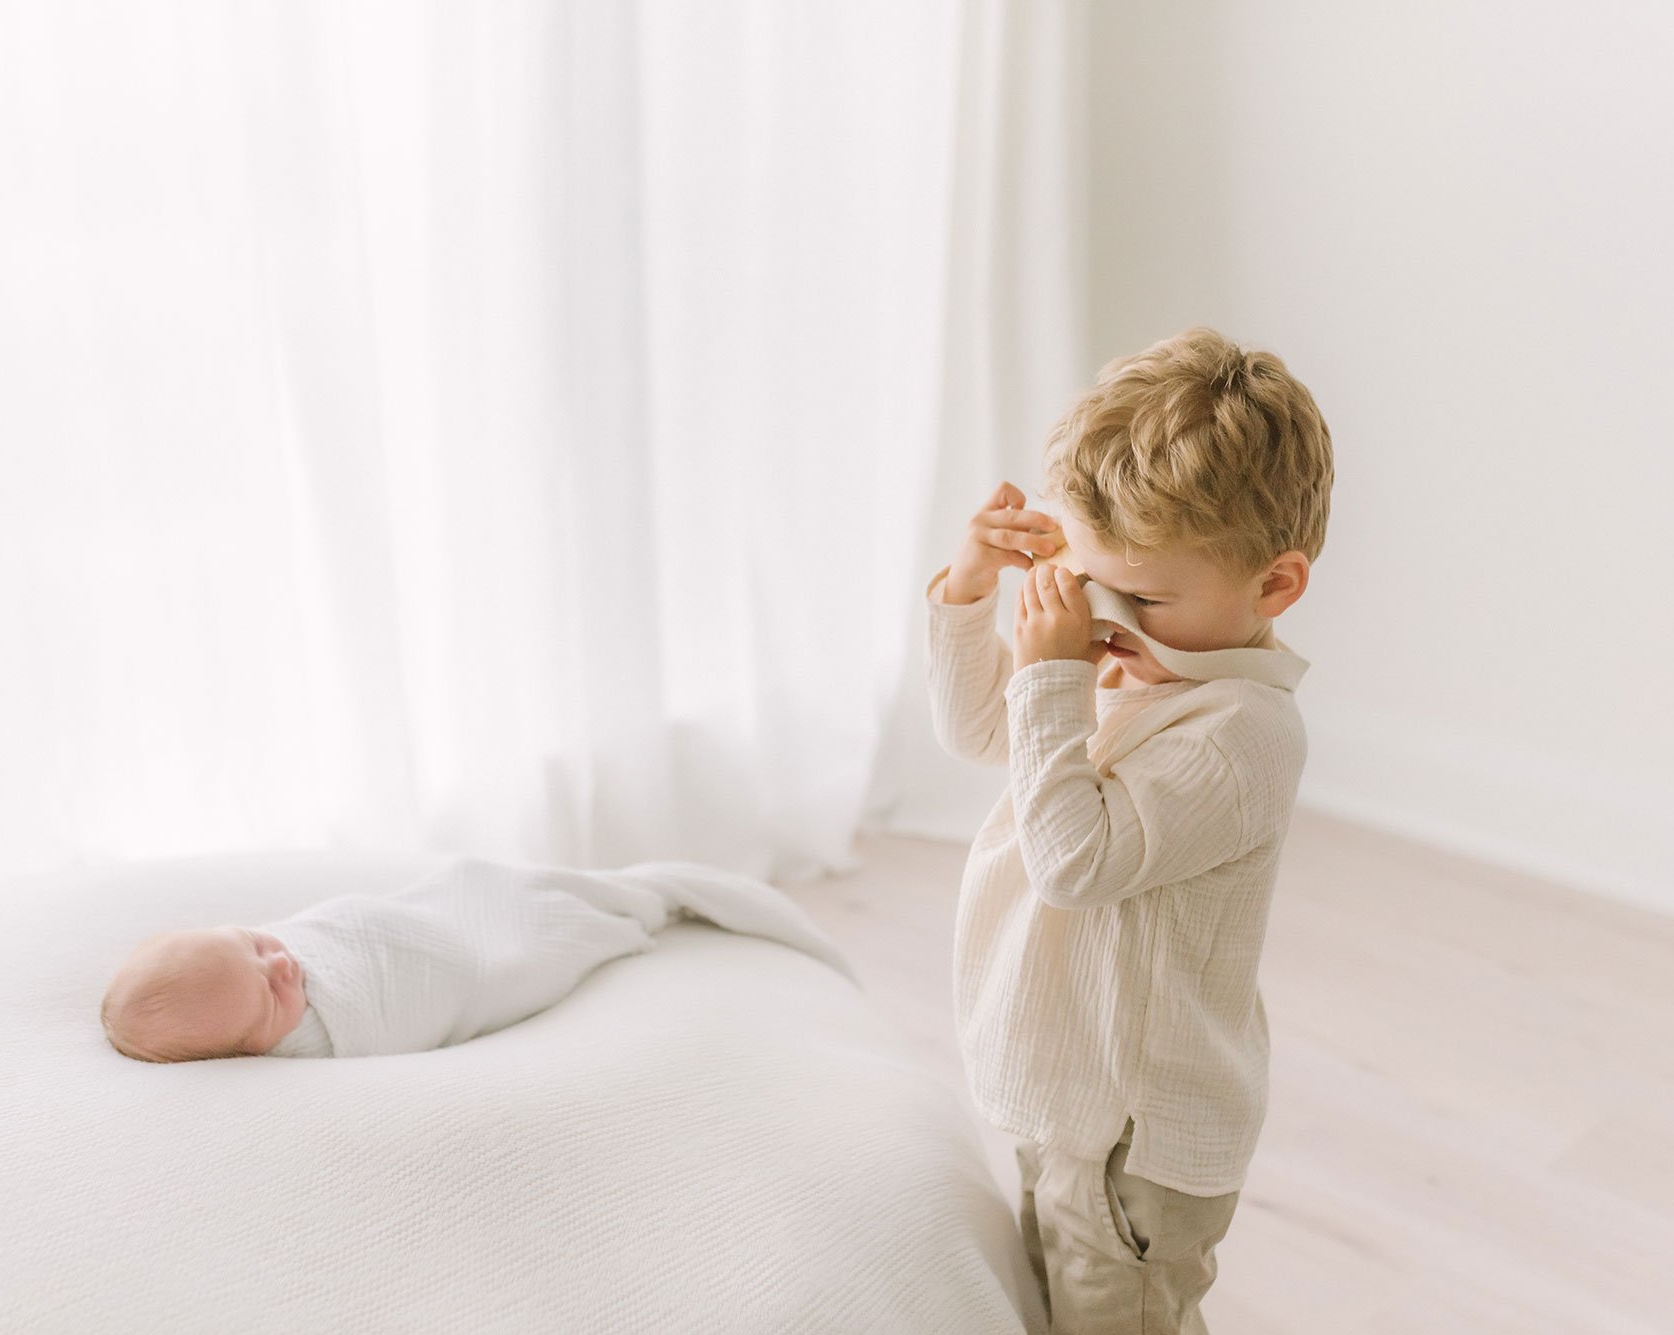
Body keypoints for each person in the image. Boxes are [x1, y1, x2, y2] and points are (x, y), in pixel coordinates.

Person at [923, 326, 1333, 1333]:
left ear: (1271, 586)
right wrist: (975, 591)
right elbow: (987, 731)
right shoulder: (1153, 658)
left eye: (1141, 595)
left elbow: (1073, 861)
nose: (1108, 618)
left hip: (1128, 1151)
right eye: (1093, 579)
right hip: (1065, 1100)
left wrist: (1060, 676)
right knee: (1054, 1301)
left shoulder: (1239, 733)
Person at [99, 857, 853, 1062]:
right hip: (465, 959)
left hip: (450, 911)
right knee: (544, 929)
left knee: (484, 884)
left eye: (258, 945)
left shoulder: (288, 953)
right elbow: (438, 976)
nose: (285, 966)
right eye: (269, 999)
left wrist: (269, 957)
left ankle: (635, 890)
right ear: (251, 1050)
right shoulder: (321, 1039)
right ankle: (625, 906)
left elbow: (379, 920)